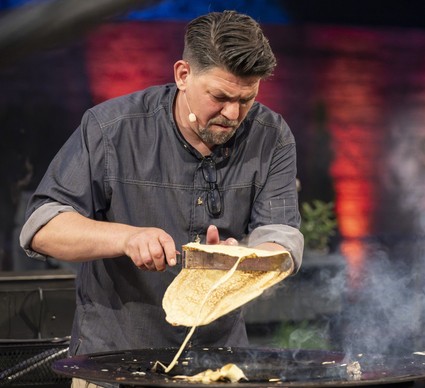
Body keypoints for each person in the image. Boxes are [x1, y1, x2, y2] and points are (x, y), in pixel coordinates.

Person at [19, 10, 303, 359]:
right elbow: (43, 227)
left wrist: (245, 259)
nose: (233, 114)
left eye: (247, 99)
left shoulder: (271, 137)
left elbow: (280, 234)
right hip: (112, 357)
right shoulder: (112, 128)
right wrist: (126, 238)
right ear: (183, 74)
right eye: (220, 97)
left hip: (220, 361)